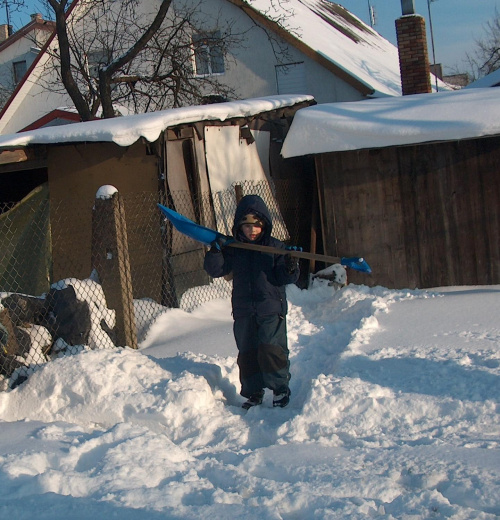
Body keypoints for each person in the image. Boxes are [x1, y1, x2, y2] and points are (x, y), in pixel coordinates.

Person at [203, 194, 300, 409]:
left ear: (264, 225)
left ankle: (280, 388)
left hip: (270, 308)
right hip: (244, 309)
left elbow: (285, 277)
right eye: (246, 226)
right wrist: (216, 252)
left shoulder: (275, 247)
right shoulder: (235, 248)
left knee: (270, 349)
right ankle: (253, 391)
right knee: (247, 352)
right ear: (239, 227)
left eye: (256, 225)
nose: (252, 230)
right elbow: (216, 269)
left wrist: (290, 264)